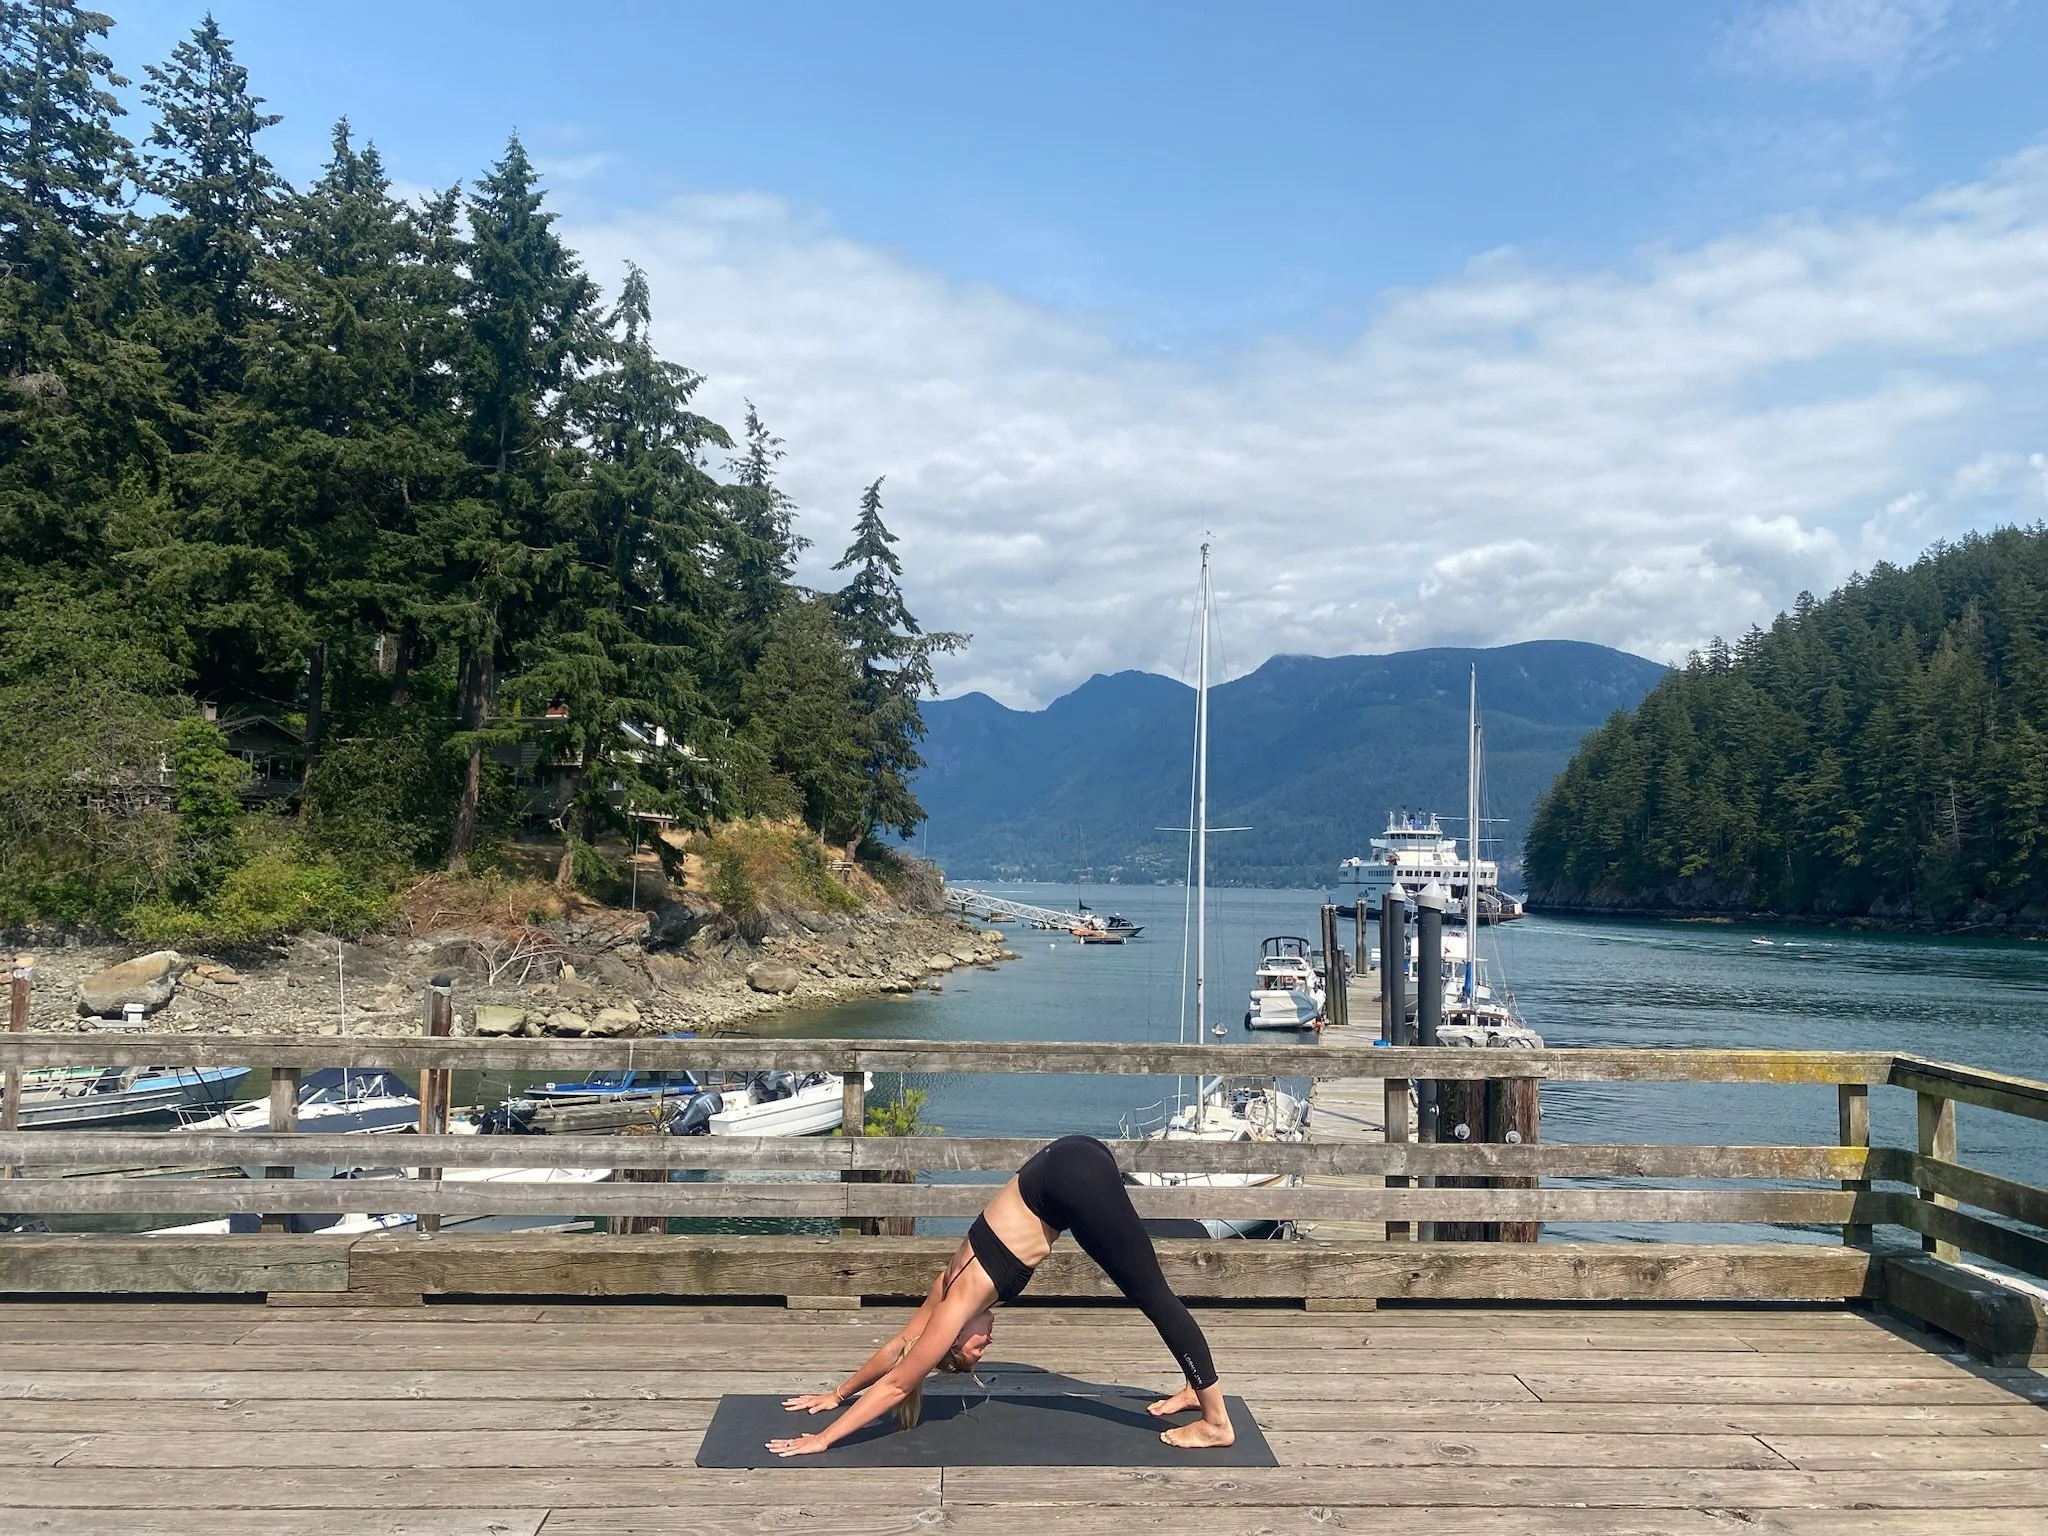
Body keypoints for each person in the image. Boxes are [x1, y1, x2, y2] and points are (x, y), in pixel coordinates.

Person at [767, 1133, 1234, 1456]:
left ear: (952, 1340)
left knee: (1154, 1297)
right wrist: (838, 1391)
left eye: (973, 1353)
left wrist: (824, 1438)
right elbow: (897, 1348)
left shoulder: (957, 1305)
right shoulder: (946, 1284)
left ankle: (1215, 1423)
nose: (986, 1346)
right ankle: (1197, 1390)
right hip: (1062, 1160)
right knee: (1150, 1293)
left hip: (1072, 1180)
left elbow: (899, 1380)